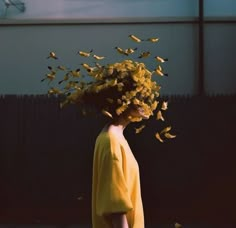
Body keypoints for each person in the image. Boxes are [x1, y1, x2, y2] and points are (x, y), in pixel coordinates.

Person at [92, 103, 148, 228]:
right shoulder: (111, 142)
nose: (146, 103)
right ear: (126, 104)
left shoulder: (114, 138)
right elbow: (115, 207)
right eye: (141, 98)